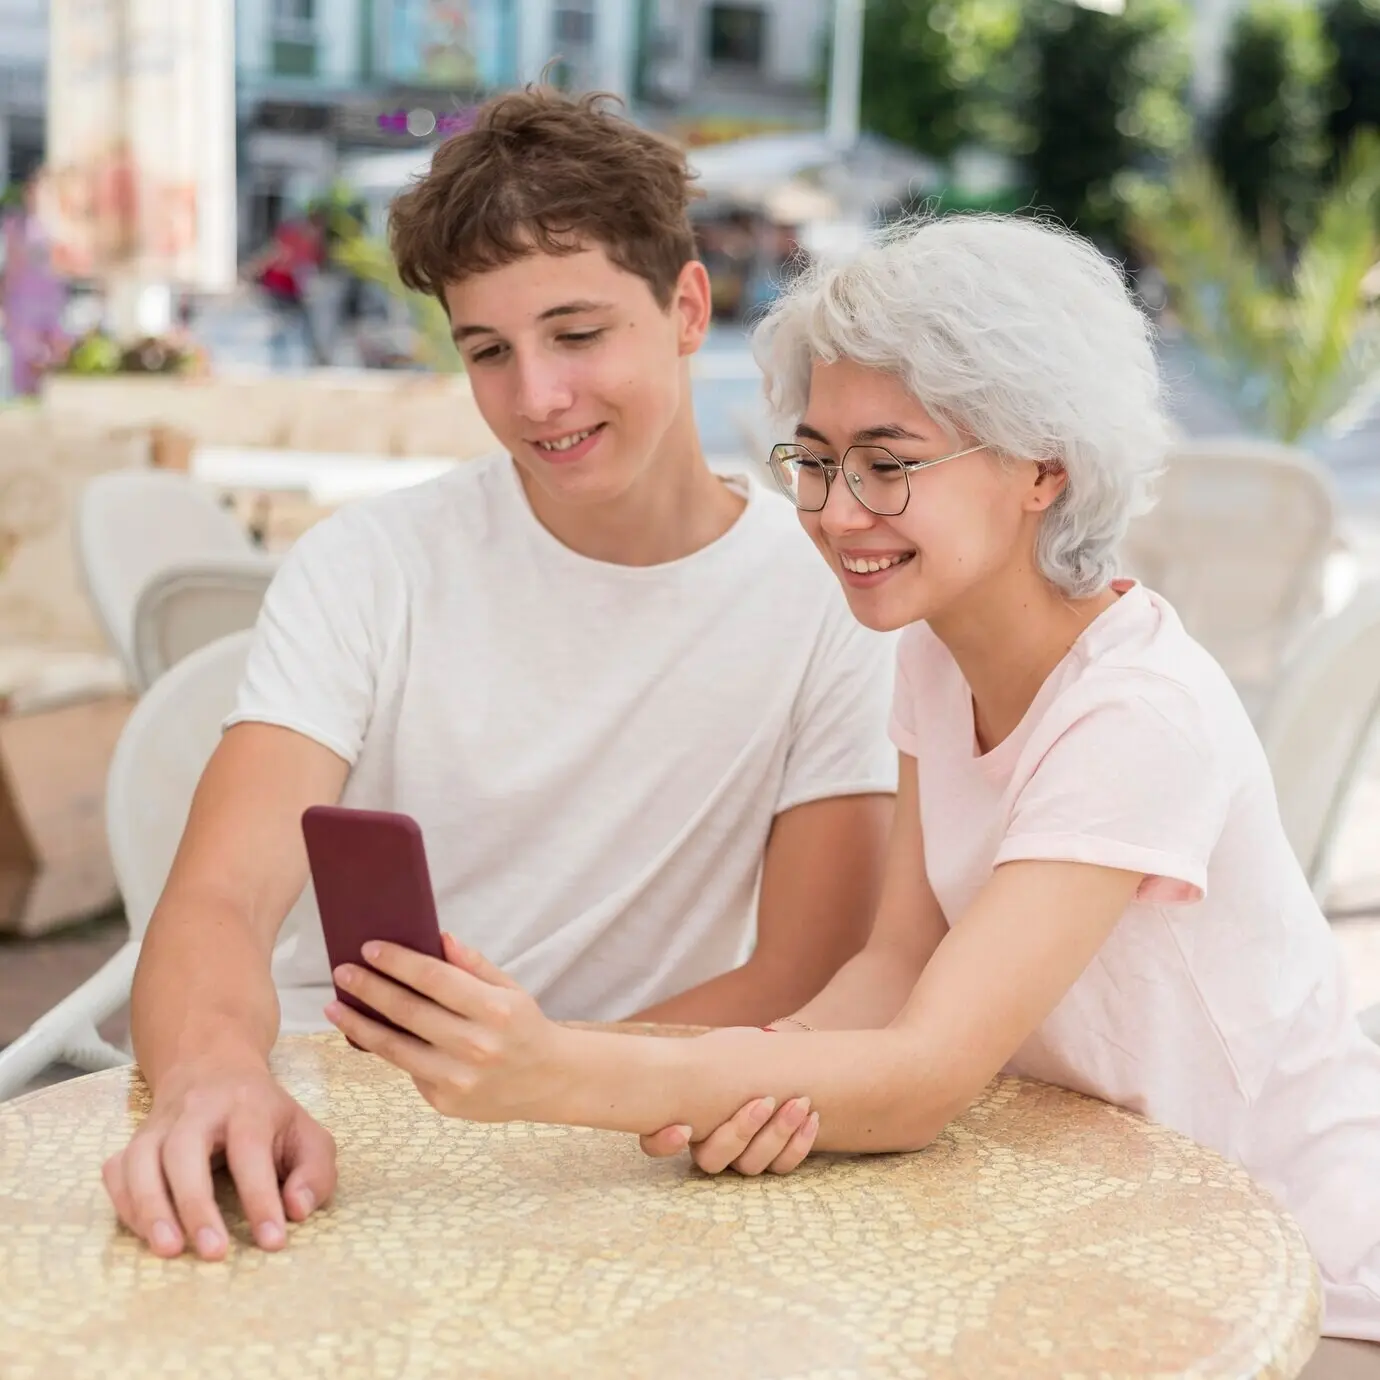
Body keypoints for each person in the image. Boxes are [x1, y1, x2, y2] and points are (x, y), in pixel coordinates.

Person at [315, 214, 1380, 1368]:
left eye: (889, 463)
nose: (833, 511)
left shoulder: (1136, 714)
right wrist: (765, 1079)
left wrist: (558, 1072)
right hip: (1104, 1222)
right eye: (817, 461)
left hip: (1296, 1278)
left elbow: (924, 1076)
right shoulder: (935, 652)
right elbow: (894, 963)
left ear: (1045, 468)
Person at [100, 89, 896, 1263]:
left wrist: (548, 1078)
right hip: (347, 1123)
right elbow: (219, 898)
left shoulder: (831, 594)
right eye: (488, 351)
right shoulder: (371, 566)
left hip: (632, 1135)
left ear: (687, 308)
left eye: (577, 334)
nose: (537, 398)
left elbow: (805, 968)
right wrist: (211, 1075)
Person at [1, 172, 66, 397]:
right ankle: (26, 394)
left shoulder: (57, 224)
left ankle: (41, 394)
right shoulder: (14, 225)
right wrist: (3, 301)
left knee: (50, 353)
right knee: (24, 353)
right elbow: (10, 268)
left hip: (50, 300)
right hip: (22, 302)